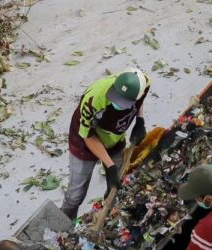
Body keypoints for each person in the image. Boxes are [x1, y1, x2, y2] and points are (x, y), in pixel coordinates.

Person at [61, 68, 151, 220]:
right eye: (116, 98)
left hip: (114, 136)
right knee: (76, 195)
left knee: (116, 185)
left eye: (123, 103)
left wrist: (140, 121)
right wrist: (109, 165)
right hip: (85, 140)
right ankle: (64, 224)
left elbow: (140, 101)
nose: (117, 103)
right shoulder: (94, 99)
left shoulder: (145, 83)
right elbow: (88, 136)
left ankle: (105, 217)